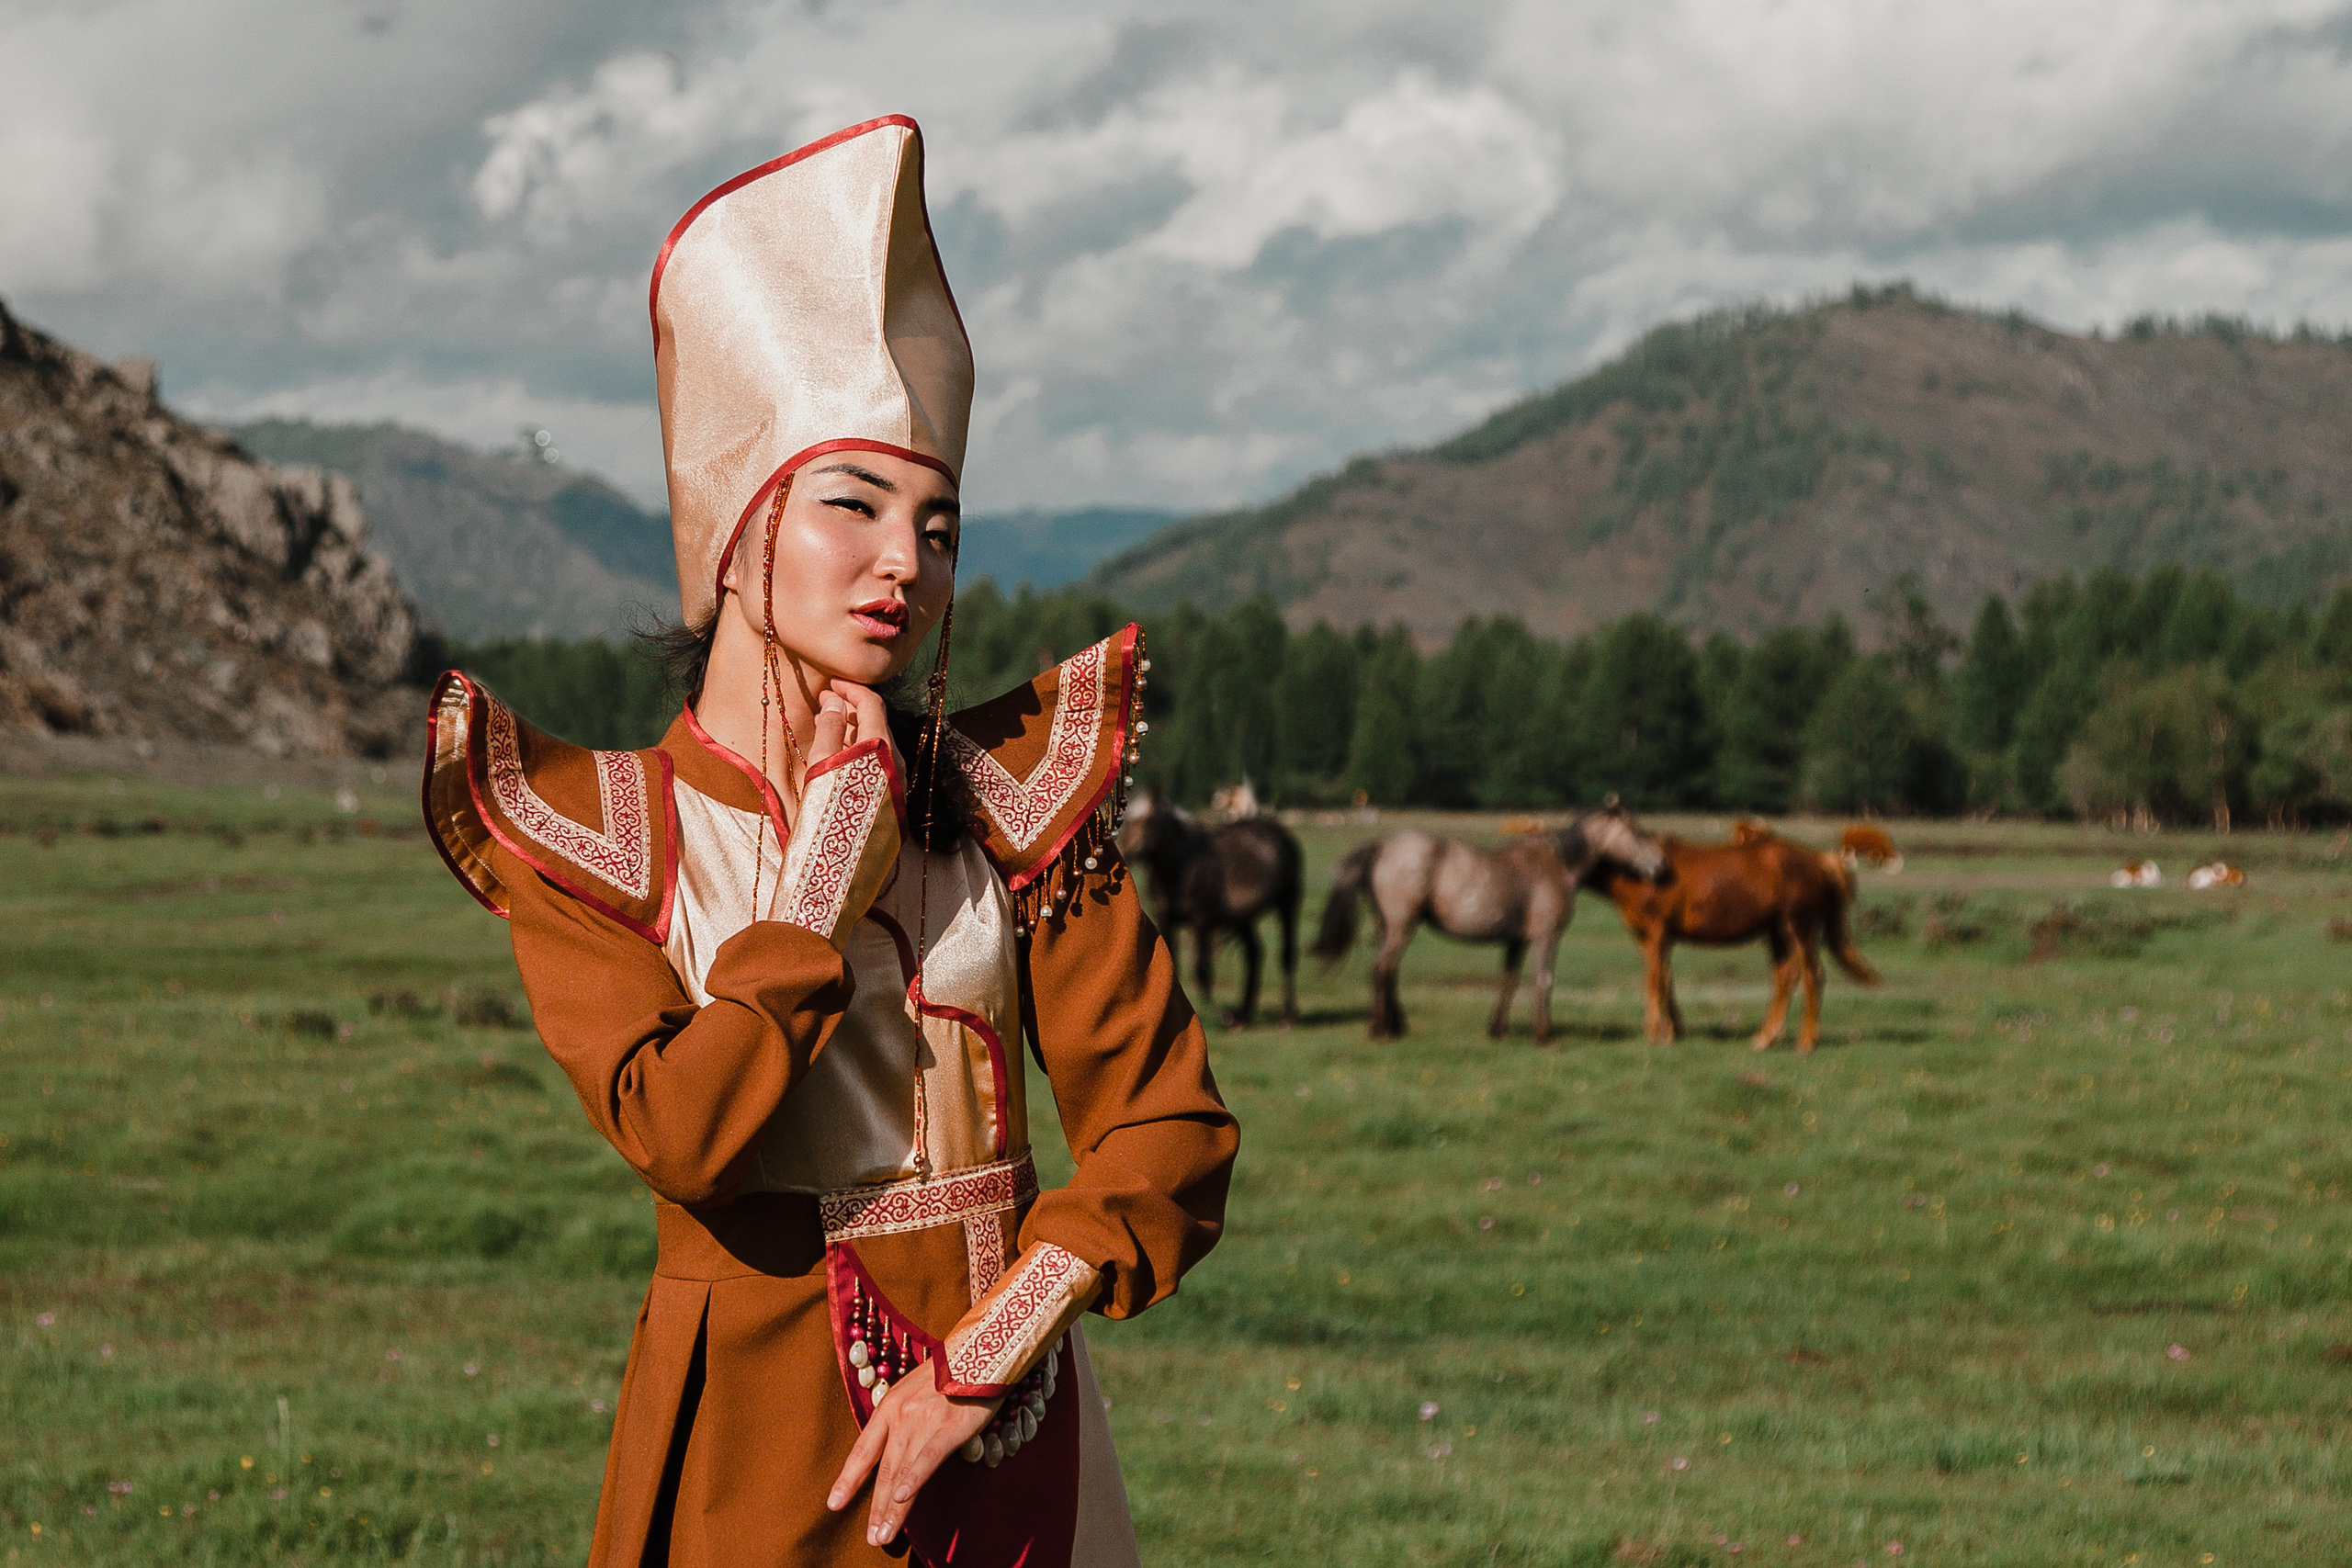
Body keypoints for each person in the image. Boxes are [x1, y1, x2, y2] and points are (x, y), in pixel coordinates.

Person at [421, 115, 1237, 1568]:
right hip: (752, 1445)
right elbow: (684, 1138)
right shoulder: (599, 834)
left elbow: (1169, 1131)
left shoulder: (1016, 804)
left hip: (1017, 1431)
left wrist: (986, 1354)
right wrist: (822, 882)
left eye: (939, 528)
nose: (903, 565)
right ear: (739, 536)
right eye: (851, 507)